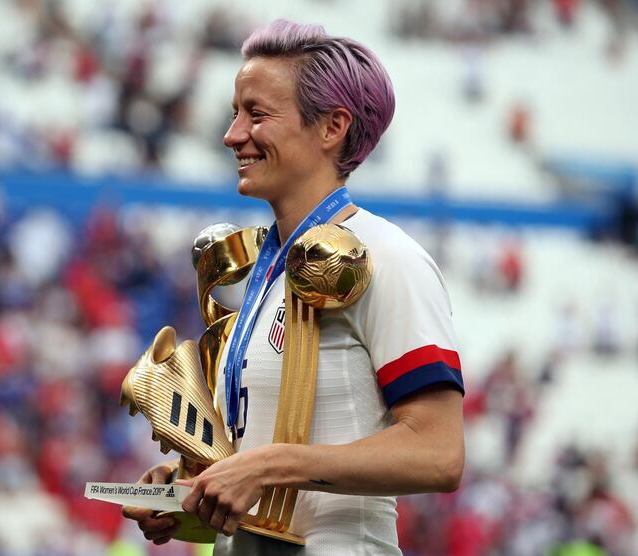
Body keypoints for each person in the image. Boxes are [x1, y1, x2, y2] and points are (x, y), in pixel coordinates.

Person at [123, 19, 465, 555]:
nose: (233, 134)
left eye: (256, 114)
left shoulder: (389, 256)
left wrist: (268, 465)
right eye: (235, 113)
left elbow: (439, 455)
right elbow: (267, 473)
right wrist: (195, 490)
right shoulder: (267, 270)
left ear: (331, 128)